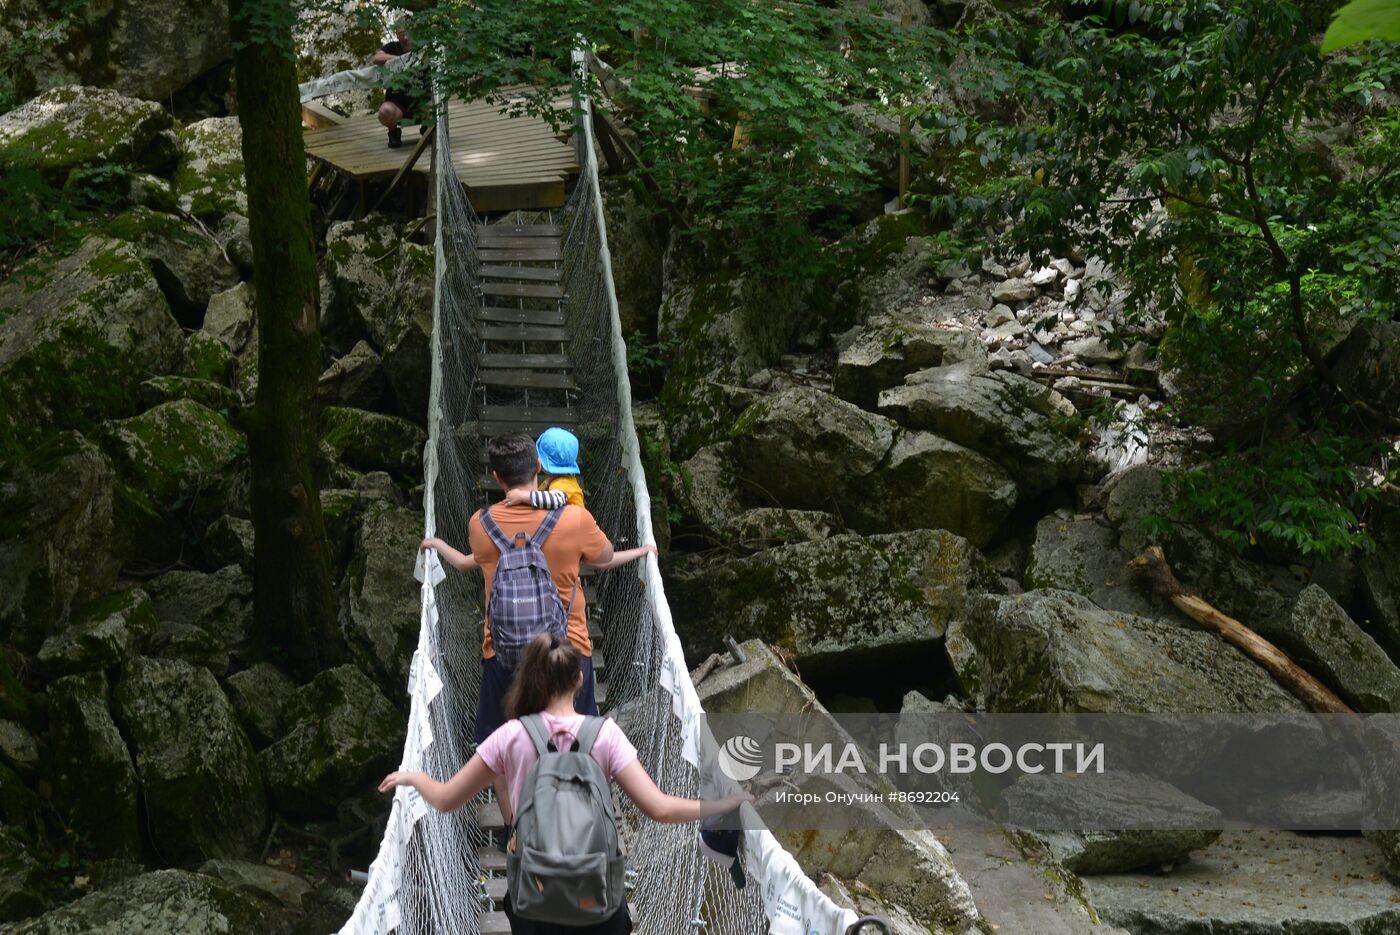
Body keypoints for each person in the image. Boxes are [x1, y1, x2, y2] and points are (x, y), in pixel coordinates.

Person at [378, 633, 753, 934]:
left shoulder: (509, 736)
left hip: (533, 897)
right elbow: (660, 808)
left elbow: (445, 800)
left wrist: (413, 777)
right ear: (579, 679)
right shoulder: (605, 735)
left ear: (531, 679)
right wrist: (722, 805)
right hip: (597, 897)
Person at [374, 17, 424, 149]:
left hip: (422, 102)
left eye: (409, 32)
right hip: (398, 105)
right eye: (401, 34)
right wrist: (401, 61)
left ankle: (428, 128)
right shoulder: (393, 47)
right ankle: (393, 132)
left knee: (436, 105)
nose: (406, 37)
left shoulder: (423, 47)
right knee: (384, 112)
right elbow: (377, 58)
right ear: (397, 35)